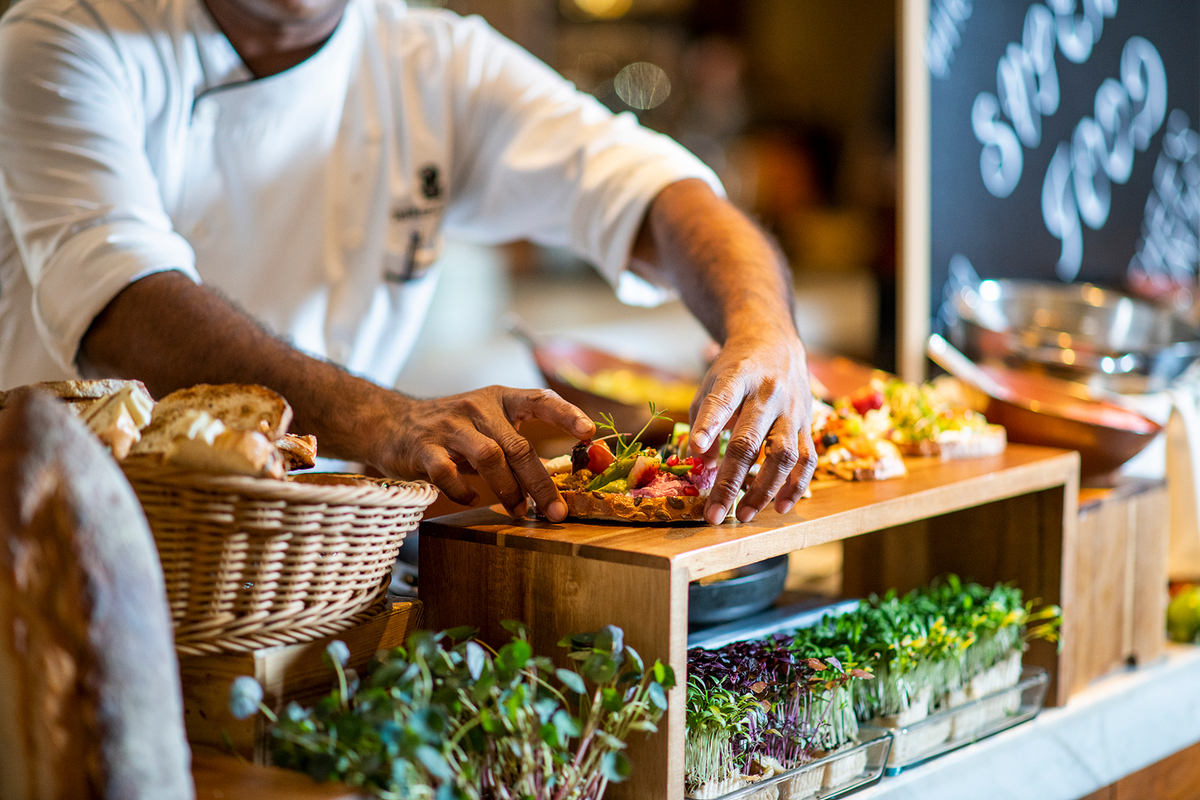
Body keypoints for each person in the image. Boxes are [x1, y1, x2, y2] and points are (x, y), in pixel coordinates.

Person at [0, 0, 814, 525]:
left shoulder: (434, 59)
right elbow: (122, 302)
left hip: (316, 555)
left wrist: (764, 327)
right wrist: (385, 420)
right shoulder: (67, 36)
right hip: (70, 530)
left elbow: (658, 191)